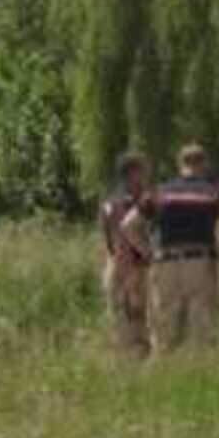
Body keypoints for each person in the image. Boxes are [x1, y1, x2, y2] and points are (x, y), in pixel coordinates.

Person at [147, 144, 219, 353]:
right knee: (203, 335)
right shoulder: (213, 192)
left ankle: (163, 376)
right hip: (200, 262)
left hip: (165, 262)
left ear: (180, 164)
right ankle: (201, 375)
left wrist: (148, 253)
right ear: (204, 164)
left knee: (165, 333)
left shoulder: (160, 192)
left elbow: (129, 225)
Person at [97, 151, 156, 359]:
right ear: (134, 173)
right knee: (136, 329)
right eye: (144, 170)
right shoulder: (126, 204)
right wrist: (130, 278)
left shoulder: (109, 202)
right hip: (130, 269)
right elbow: (121, 240)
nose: (148, 174)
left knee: (124, 327)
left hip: (115, 266)